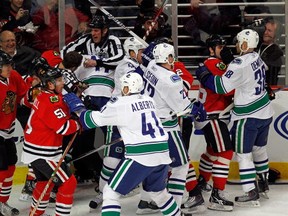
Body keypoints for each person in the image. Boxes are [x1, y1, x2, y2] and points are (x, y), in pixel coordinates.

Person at [64, 72, 183, 216]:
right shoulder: (149, 100)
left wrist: (78, 108)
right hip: (163, 153)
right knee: (159, 194)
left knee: (110, 193)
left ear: (126, 89)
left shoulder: (120, 103)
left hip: (140, 155)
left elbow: (90, 121)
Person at [196, 29, 274, 206]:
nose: (235, 46)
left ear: (245, 44)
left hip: (248, 116)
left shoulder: (237, 64)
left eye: (239, 43)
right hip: (265, 112)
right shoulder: (257, 57)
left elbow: (222, 87)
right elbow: (248, 73)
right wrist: (230, 62)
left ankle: (250, 191)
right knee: (259, 149)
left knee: (242, 154)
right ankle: (263, 184)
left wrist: (204, 75)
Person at [141, 42, 207, 213]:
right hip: (166, 129)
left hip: (149, 126)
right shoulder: (171, 80)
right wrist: (196, 110)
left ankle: (147, 200)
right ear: (169, 58)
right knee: (181, 166)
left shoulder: (150, 67)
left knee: (157, 165)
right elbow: (182, 109)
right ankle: (174, 208)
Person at [21, 67, 81, 216]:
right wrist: (79, 122)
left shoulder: (46, 96)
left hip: (36, 150)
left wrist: (70, 111)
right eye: (59, 80)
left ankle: (35, 214)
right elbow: (63, 128)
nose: (63, 83)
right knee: (68, 183)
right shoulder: (49, 102)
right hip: (44, 153)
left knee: (44, 183)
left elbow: (61, 113)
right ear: (50, 85)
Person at [195, 34, 235, 211]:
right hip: (214, 117)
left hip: (208, 116)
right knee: (226, 152)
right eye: (219, 47)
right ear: (211, 50)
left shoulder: (209, 63)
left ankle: (203, 181)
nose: (223, 50)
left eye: (223, 46)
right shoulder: (215, 63)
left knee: (212, 151)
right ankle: (217, 195)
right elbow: (227, 89)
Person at [0, 50, 28, 216]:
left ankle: (3, 203)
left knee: (11, 168)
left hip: (8, 131)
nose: (9, 68)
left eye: (10, 64)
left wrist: (33, 97)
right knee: (2, 170)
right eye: (5, 65)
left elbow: (23, 97)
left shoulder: (15, 76)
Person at [257, 19, 283, 85]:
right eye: (265, 29)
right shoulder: (257, 45)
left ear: (276, 34)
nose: (265, 32)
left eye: (269, 31)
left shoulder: (277, 52)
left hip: (267, 88)